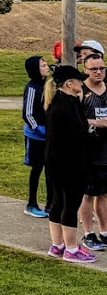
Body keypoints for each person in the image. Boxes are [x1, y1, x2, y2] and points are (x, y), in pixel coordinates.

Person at [45, 65, 98, 263]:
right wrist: (92, 135)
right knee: (71, 202)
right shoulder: (69, 104)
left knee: (58, 200)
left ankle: (57, 244)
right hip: (71, 162)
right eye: (78, 80)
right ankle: (72, 248)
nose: (82, 83)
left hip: (54, 160)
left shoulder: (55, 102)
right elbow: (79, 134)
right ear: (69, 83)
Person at [80, 50, 107, 250]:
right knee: (88, 193)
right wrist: (97, 123)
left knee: (104, 193)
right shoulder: (81, 91)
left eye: (101, 68)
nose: (98, 72)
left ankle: (105, 232)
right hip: (88, 150)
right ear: (85, 69)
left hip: (105, 151)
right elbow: (74, 120)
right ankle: (88, 233)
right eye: (94, 69)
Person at [21, 55, 51, 217]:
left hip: (48, 135)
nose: (47, 67)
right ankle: (31, 204)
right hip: (35, 136)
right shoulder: (32, 87)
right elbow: (27, 113)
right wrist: (39, 129)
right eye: (43, 65)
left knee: (50, 170)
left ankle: (50, 205)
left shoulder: (47, 85)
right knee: (37, 168)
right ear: (35, 69)